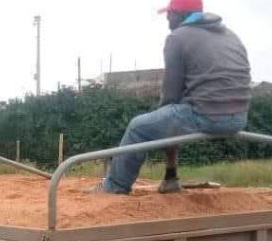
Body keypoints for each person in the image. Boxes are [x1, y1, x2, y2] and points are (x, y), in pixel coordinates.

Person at [99, 0, 251, 195]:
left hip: (206, 115)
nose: (167, 18)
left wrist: (162, 113)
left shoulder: (178, 37)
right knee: (172, 115)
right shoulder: (231, 35)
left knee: (139, 127)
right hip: (239, 118)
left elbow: (171, 94)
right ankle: (171, 178)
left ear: (180, 14)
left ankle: (114, 189)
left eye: (170, 13)